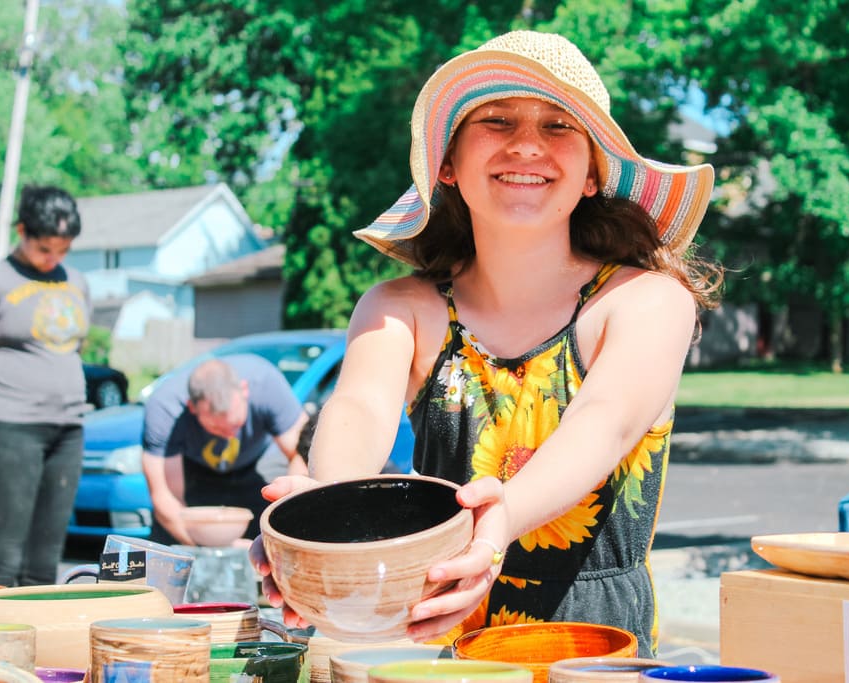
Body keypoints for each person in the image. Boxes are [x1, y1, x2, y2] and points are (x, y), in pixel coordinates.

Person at [254, 30, 724, 657]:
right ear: (447, 164)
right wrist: (330, 520)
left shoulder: (646, 301)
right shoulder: (400, 308)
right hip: (444, 637)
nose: (527, 144)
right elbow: (358, 409)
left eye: (560, 126)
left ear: (592, 174)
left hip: (595, 645)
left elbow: (604, 423)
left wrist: (497, 522)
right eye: (497, 120)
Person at [0, 185, 91, 586]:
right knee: (3, 559)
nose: (54, 259)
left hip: (67, 431)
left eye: (63, 250)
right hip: (9, 429)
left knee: (43, 563)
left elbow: (67, 351)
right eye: (45, 249)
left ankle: (40, 647)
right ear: (22, 231)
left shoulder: (77, 282)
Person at [142, 355, 309, 546]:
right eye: (217, 428)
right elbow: (166, 497)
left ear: (244, 390)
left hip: (259, 466)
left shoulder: (266, 385)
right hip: (194, 475)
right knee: (170, 545)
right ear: (192, 407)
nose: (229, 435)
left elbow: (303, 454)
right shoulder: (165, 408)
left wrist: (287, 523)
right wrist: (213, 551)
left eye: (237, 424)